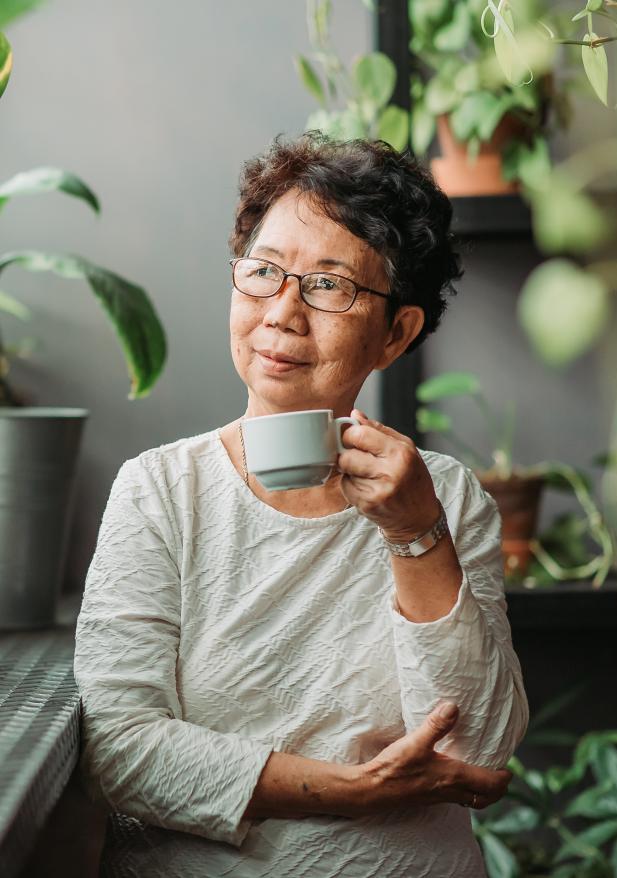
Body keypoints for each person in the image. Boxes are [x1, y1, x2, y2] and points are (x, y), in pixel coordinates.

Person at [74, 132, 529, 878]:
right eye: (264, 272)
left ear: (396, 333)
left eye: (328, 285)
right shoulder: (159, 491)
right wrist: (352, 792)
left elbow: (474, 751)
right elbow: (119, 751)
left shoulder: (445, 498)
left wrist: (416, 534)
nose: (282, 311)